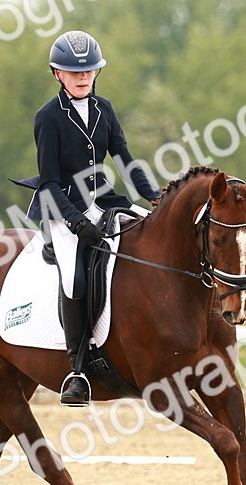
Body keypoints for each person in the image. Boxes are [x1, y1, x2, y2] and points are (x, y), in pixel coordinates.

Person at [26, 30, 162, 407]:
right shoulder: (48, 118)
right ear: (57, 73)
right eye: (74, 72)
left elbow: (125, 158)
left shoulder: (105, 109)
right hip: (62, 207)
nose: (83, 77)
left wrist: (155, 196)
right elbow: (49, 182)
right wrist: (73, 223)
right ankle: (78, 370)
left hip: (102, 199)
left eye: (88, 71)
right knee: (77, 278)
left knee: (149, 238)